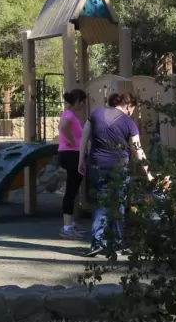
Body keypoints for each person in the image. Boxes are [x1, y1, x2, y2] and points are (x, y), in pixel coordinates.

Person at [78, 92, 153, 257]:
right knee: (117, 205)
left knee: (101, 203)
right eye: (132, 108)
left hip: (96, 165)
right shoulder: (129, 122)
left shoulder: (96, 114)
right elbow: (137, 150)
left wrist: (81, 161)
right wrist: (148, 174)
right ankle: (116, 245)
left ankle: (96, 243)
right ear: (128, 105)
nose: (132, 112)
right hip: (119, 168)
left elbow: (84, 138)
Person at [57, 88, 88, 240]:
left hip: (71, 154)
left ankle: (70, 224)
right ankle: (67, 227)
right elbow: (62, 127)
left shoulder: (69, 114)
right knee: (71, 191)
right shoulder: (69, 115)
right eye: (83, 102)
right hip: (71, 155)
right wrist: (70, 141)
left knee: (73, 190)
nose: (83, 105)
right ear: (78, 102)